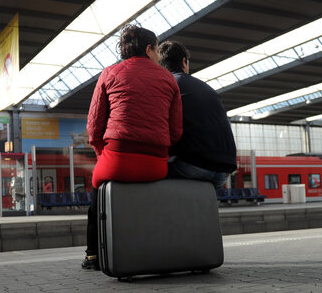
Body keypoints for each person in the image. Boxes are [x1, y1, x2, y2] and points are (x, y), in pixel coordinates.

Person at [82, 25, 183, 270]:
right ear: (148, 49)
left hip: (115, 162)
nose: (159, 55)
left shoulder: (109, 73)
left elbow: (94, 127)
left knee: (97, 195)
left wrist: (104, 156)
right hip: (155, 165)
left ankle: (93, 256)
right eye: (157, 49)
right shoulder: (168, 78)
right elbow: (176, 130)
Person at [157, 41, 237, 190]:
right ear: (183, 62)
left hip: (192, 166)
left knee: (147, 174)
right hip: (224, 170)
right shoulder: (207, 88)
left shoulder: (166, 86)